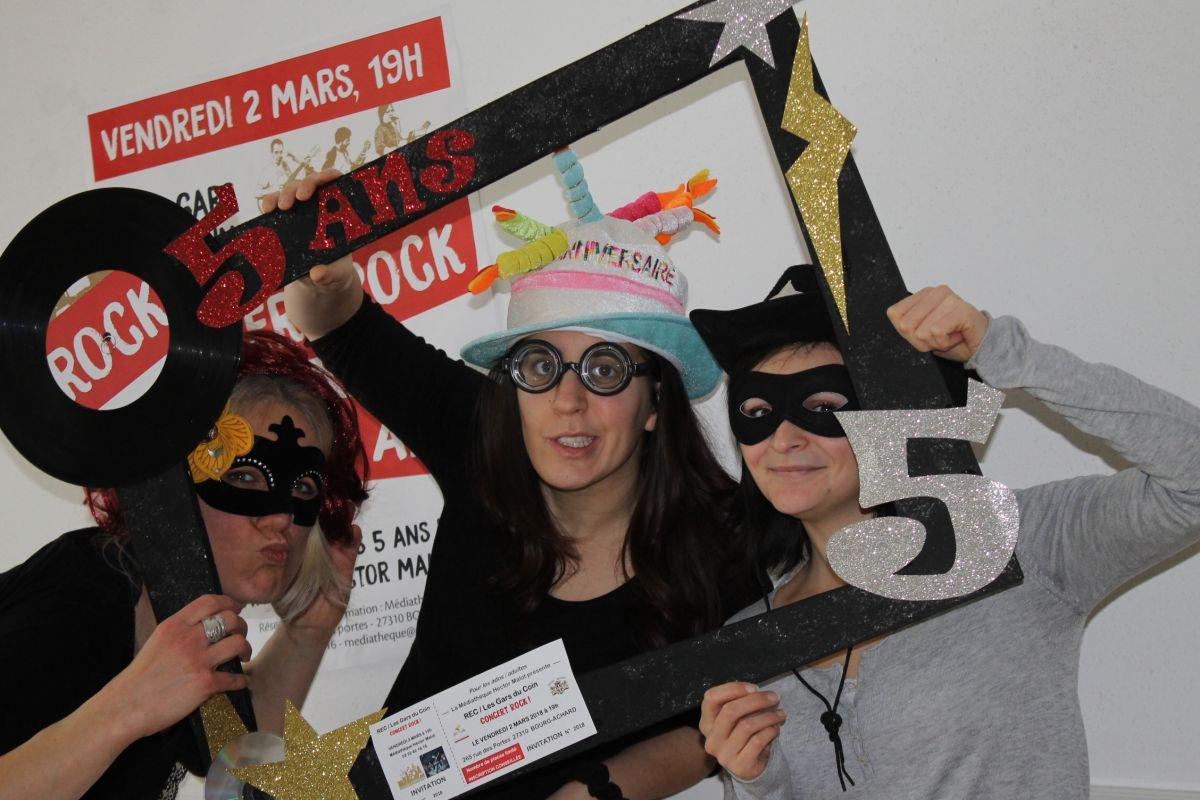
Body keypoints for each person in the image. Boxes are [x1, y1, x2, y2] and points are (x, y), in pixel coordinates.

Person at [277, 155, 758, 799]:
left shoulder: (726, 539)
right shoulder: (484, 440)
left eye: (606, 369)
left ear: (656, 402)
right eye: (539, 365)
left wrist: (597, 791)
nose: (567, 402)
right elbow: (336, 321)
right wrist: (311, 253)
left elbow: (727, 713)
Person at [690, 266, 1200, 799]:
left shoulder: (1019, 545)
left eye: (823, 407)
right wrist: (759, 782)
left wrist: (1001, 350)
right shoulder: (750, 637)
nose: (783, 440)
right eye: (757, 412)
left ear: (895, 416)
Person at [0, 329, 370, 800]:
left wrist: (307, 630)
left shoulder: (193, 617)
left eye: (301, 489)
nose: (279, 517)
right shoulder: (83, 595)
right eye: (244, 477)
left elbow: (234, 761)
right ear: (177, 485)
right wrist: (131, 705)